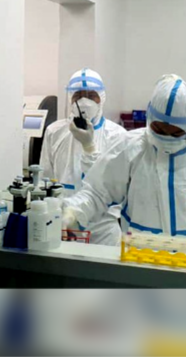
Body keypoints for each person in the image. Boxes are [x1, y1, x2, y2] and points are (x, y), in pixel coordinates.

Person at [62, 74, 186, 251]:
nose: (166, 138)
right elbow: (97, 193)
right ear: (149, 117)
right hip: (138, 258)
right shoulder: (130, 147)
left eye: (175, 133)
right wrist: (73, 212)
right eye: (159, 129)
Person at [39, 68, 127, 245]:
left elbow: (110, 187)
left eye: (91, 95)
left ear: (101, 98)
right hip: (63, 223)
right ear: (70, 99)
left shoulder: (118, 135)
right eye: (78, 95)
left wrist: (89, 147)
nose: (84, 101)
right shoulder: (54, 132)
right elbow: (45, 179)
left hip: (103, 229)